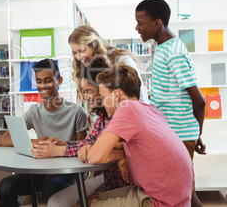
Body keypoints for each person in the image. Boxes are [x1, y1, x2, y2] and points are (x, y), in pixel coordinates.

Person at [76, 64, 193, 207]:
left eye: (103, 96)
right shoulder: (149, 110)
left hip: (160, 201)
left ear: (116, 95)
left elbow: (95, 157)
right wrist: (120, 154)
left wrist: (115, 155)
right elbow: (129, 146)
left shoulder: (126, 108)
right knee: (85, 200)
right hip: (171, 196)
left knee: (82, 204)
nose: (103, 103)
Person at [135, 0, 206, 207]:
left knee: (186, 195)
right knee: (182, 193)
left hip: (180, 135)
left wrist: (197, 133)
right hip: (175, 133)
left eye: (140, 22)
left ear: (157, 22)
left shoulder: (173, 52)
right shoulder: (162, 48)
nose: (137, 27)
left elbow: (199, 100)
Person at [30, 57, 128, 207]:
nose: (86, 97)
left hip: (118, 181)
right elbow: (89, 142)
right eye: (84, 92)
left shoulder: (118, 115)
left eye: (89, 91)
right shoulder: (102, 115)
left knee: (62, 200)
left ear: (104, 90)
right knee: (55, 201)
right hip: (108, 178)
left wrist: (60, 150)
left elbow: (97, 149)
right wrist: (64, 145)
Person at [0, 58, 89, 207]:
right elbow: (3, 140)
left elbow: (82, 148)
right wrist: (35, 142)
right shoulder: (34, 112)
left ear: (59, 81)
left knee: (52, 186)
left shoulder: (77, 112)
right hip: (42, 170)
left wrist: (50, 176)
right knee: (5, 186)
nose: (43, 86)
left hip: (69, 170)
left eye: (48, 80)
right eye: (39, 81)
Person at [68, 25, 149, 104]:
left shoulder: (123, 61)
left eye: (82, 51)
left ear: (94, 45)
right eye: (75, 53)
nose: (78, 57)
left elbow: (142, 100)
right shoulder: (86, 68)